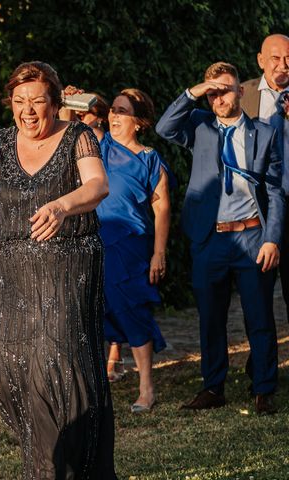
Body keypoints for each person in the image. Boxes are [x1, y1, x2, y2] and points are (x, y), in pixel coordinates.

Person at [0, 61, 117, 479]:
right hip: (15, 273)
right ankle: (47, 461)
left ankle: (57, 470)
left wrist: (62, 205)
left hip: (69, 266)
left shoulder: (77, 137)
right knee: (7, 372)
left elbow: (97, 185)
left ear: (55, 103)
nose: (28, 110)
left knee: (58, 369)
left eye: (37, 101)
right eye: (19, 101)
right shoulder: (1, 142)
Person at [156, 61, 284, 415]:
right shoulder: (199, 127)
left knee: (259, 318)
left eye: (225, 89)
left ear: (241, 90)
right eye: (212, 92)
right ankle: (213, 387)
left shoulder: (264, 133)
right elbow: (164, 127)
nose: (219, 97)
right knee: (210, 318)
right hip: (209, 239)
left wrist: (272, 239)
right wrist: (194, 91)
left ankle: (264, 389)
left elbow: (274, 192)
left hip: (251, 238)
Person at [96, 88, 173, 413]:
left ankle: (146, 388)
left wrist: (159, 252)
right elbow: (69, 117)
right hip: (95, 242)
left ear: (139, 122)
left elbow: (163, 209)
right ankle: (98, 385)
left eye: (122, 111)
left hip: (131, 246)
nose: (114, 115)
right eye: (113, 109)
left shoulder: (150, 159)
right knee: (95, 312)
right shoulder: (99, 145)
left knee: (133, 311)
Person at [241, 34, 289, 323]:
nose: (283, 65)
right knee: (256, 289)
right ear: (261, 60)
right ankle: (259, 359)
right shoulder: (242, 95)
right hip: (256, 207)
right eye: (275, 58)